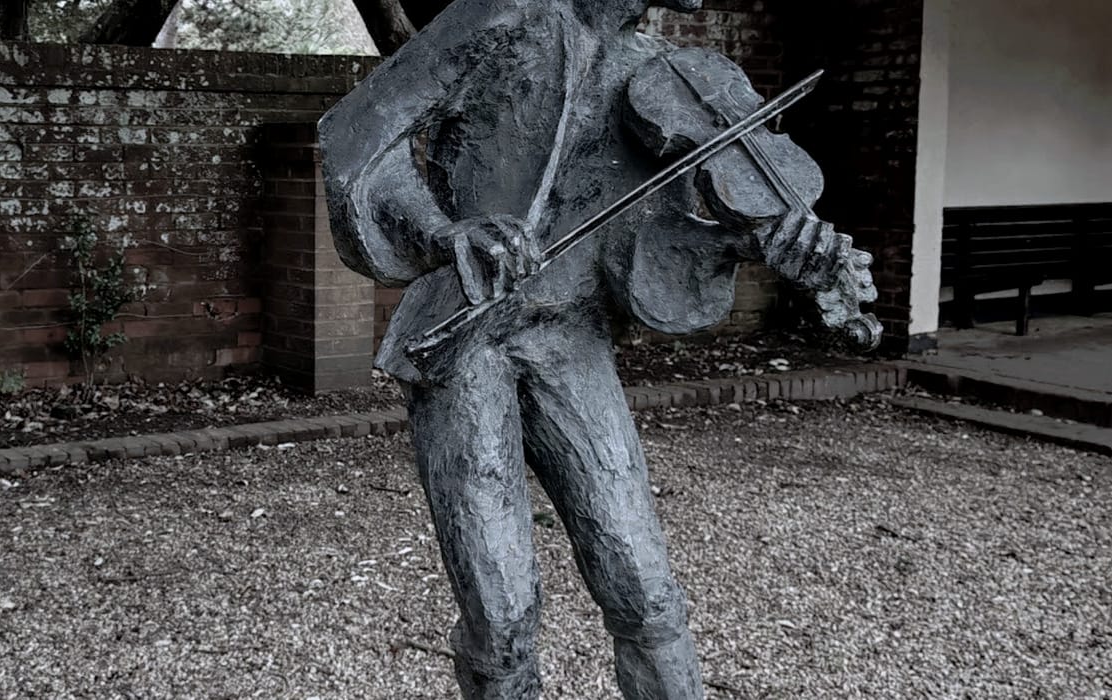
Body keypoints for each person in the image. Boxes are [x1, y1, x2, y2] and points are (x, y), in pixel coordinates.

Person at [318, 1, 877, 698]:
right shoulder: (503, 15)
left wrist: (744, 239)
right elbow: (355, 134)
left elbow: (647, 267)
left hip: (572, 343)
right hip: (467, 340)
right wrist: (444, 234)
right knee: (501, 617)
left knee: (646, 593)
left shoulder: (664, 78)